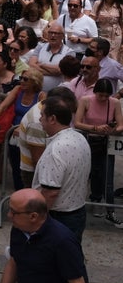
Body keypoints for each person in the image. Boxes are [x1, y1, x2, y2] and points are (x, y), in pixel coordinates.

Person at [0, 189, 88, 283]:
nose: (8, 215)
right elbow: (14, 262)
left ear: (33, 216)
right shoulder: (19, 229)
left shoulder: (62, 241)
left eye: (13, 212)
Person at [33, 92, 91, 244]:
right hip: (77, 212)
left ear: (52, 119)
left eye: (42, 115)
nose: (39, 119)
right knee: (70, 260)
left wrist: (38, 221)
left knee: (54, 262)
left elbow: (50, 192)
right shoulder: (80, 137)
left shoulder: (56, 148)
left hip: (58, 216)